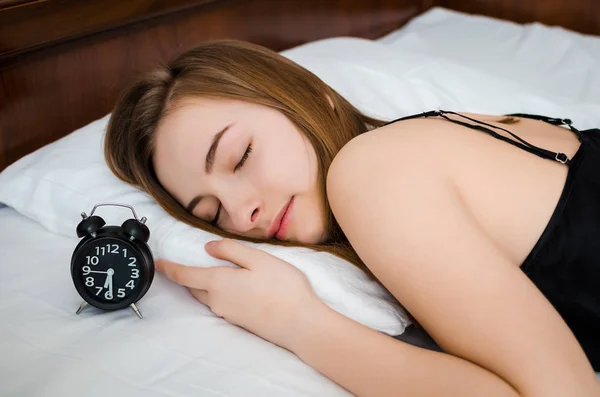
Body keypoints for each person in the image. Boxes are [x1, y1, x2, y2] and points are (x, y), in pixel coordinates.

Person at [104, 39, 600, 396]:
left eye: (240, 156)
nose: (239, 212)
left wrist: (298, 323)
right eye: (210, 212)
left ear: (310, 96)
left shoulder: (369, 172)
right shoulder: (429, 141)